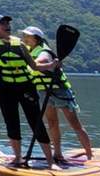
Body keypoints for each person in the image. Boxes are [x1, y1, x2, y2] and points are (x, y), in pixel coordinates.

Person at [0, 14, 49, 166]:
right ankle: (18, 158)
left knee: (36, 122)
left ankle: (51, 161)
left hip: (26, 87)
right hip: (4, 88)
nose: (7, 25)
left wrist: (52, 65)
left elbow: (34, 66)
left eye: (7, 23)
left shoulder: (19, 43)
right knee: (12, 122)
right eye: (2, 23)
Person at [20, 26, 93, 164]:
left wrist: (28, 64)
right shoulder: (30, 50)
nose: (24, 38)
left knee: (75, 124)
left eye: (27, 36)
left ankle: (90, 155)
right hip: (43, 91)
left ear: (36, 38)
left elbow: (40, 62)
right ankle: (58, 154)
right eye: (24, 35)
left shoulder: (44, 51)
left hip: (59, 91)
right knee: (52, 123)